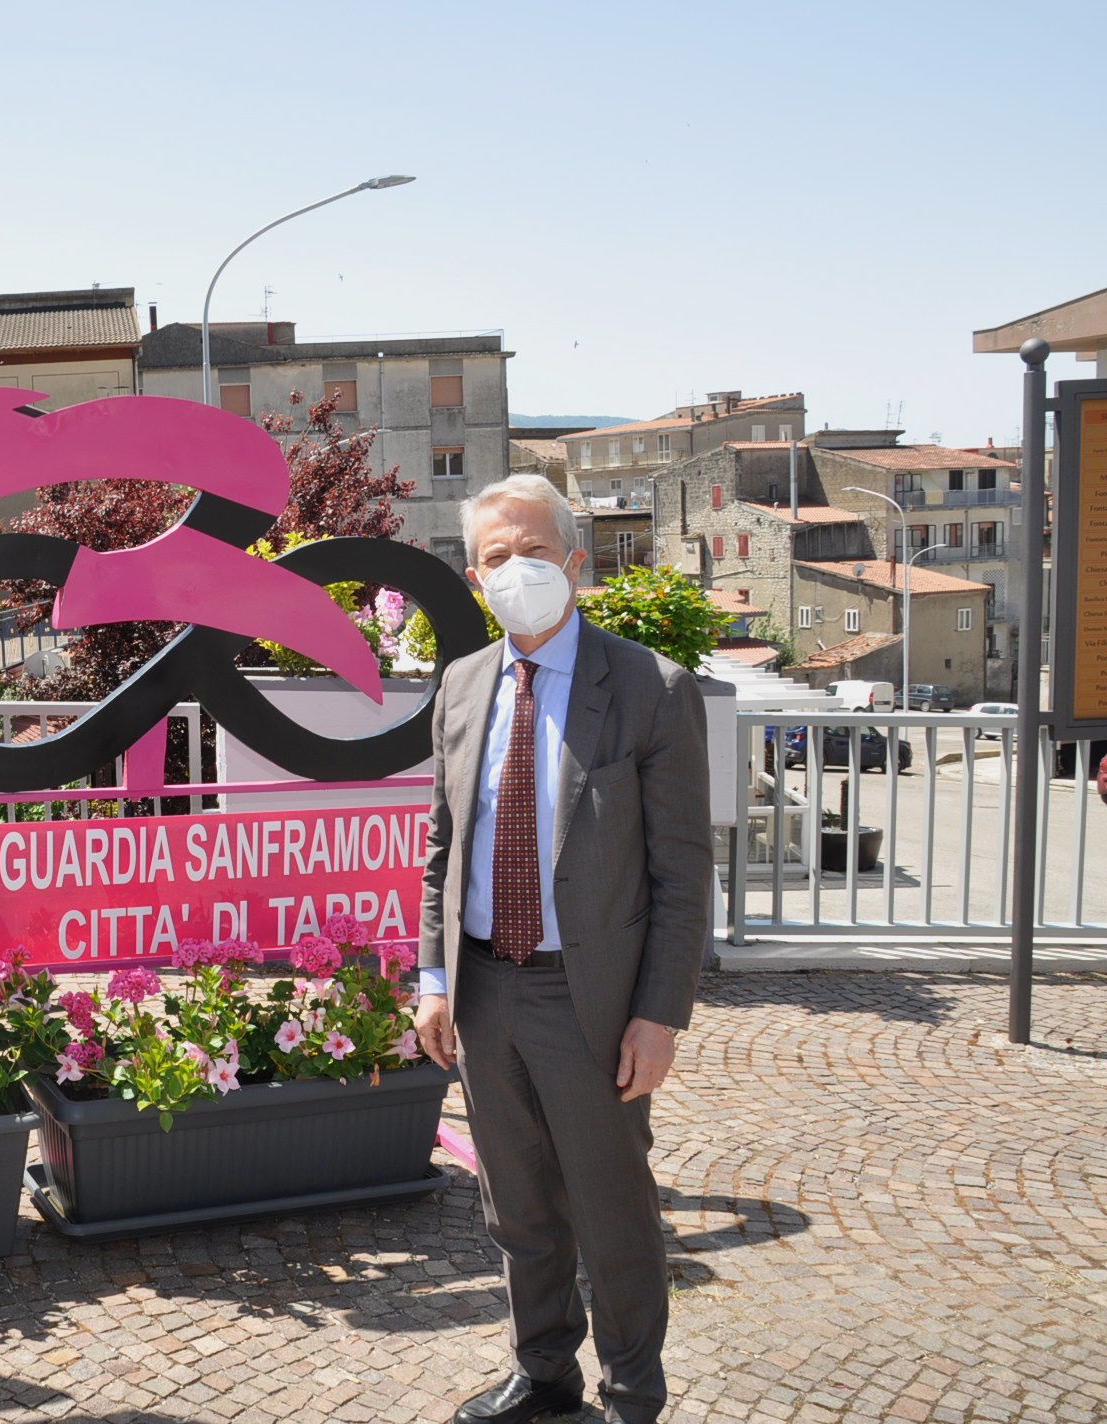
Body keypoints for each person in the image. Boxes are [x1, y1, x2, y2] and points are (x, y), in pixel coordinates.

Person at [414, 475, 711, 1424]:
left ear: (576, 561)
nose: (518, 570)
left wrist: (660, 1014)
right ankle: (544, 1374)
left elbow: (682, 873)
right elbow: (440, 848)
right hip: (483, 992)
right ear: (474, 577)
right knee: (518, 1207)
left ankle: (632, 1397)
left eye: (535, 551)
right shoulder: (461, 686)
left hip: (590, 1000)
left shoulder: (650, 690)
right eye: (498, 558)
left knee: (613, 1212)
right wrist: (431, 981)